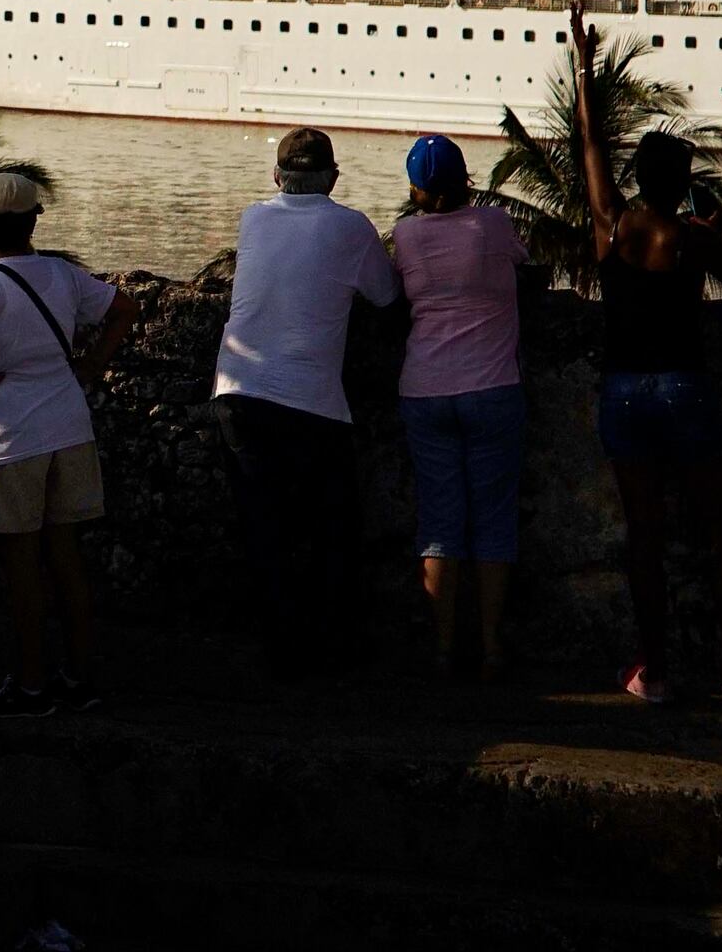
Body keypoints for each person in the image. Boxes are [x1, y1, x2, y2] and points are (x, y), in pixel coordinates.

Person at [573, 12, 722, 704]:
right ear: (685, 181)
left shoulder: (613, 226)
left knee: (646, 538)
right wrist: (712, 233)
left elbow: (591, 146)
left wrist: (583, 64)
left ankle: (653, 673)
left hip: (624, 391)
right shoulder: (693, 239)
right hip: (686, 389)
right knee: (718, 534)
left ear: (640, 179)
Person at [0, 167, 139, 716]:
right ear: (32, 222)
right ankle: (78, 678)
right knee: (67, 559)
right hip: (69, 428)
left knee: (21, 567)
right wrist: (93, 363)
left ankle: (29, 686)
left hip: (11, 440)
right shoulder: (62, 274)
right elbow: (124, 309)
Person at [210, 124, 396, 678]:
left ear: (276, 177)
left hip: (238, 392)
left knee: (263, 530)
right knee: (330, 531)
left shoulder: (253, 217)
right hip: (312, 403)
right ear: (334, 178)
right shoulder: (353, 227)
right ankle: (328, 653)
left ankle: (277, 653)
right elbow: (385, 296)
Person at [389, 133, 527, 680]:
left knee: (440, 523)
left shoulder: (404, 235)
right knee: (493, 522)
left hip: (424, 391)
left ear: (418, 190)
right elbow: (523, 263)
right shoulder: (492, 225)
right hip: (492, 388)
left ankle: (443, 650)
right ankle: (492, 648)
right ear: (465, 180)